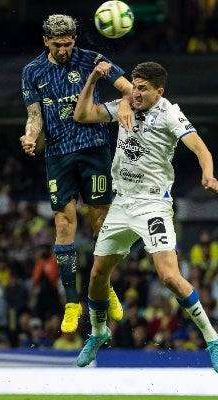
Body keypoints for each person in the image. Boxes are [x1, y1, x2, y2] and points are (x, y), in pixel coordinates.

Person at [72, 61, 218, 373]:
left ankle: (212, 338)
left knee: (169, 276)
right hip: (121, 204)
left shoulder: (170, 113)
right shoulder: (123, 105)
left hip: (152, 205)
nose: (136, 92)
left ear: (160, 91)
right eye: (134, 84)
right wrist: (92, 78)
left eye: (143, 88)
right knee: (97, 274)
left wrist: (208, 175)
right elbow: (82, 115)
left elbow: (201, 149)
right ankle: (99, 332)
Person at [19, 14, 130, 333]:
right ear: (46, 42)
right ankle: (71, 302)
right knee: (64, 222)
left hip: (93, 148)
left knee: (101, 222)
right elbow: (34, 116)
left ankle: (105, 287)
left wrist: (124, 101)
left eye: (68, 44)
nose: (65, 50)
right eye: (58, 45)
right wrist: (29, 135)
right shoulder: (32, 72)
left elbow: (129, 89)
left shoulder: (92, 60)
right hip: (57, 154)